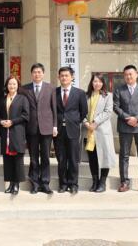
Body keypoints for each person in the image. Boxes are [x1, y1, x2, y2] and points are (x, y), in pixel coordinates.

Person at [113, 64, 138, 193]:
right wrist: (127, 118)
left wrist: (137, 119)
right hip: (125, 127)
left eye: (131, 74)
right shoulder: (119, 90)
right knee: (124, 156)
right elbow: (116, 107)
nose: (128, 76)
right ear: (124, 77)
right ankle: (124, 182)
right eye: (126, 75)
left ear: (136, 75)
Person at [22, 63, 57, 194]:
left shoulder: (50, 88)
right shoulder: (25, 89)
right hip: (31, 128)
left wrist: (55, 126)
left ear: (43, 73)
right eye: (34, 72)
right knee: (33, 157)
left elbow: (54, 108)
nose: (37, 74)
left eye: (39, 72)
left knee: (46, 157)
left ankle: (45, 183)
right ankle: (35, 183)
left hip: (47, 127)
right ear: (31, 74)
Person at [55, 66, 88, 194]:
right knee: (61, 158)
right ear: (58, 77)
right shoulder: (55, 92)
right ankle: (63, 184)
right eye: (61, 75)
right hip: (58, 131)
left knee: (74, 159)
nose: (64, 78)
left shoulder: (79, 93)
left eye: (66, 75)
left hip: (73, 129)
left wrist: (74, 121)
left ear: (72, 77)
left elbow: (83, 111)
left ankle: (73, 184)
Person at [82, 74, 116, 193]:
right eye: (95, 81)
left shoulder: (108, 96)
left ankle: (102, 182)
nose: (97, 84)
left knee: (104, 157)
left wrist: (95, 122)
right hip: (89, 132)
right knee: (92, 159)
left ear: (103, 83)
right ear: (92, 82)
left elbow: (108, 112)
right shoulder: (86, 96)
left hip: (102, 131)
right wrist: (86, 123)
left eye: (100, 81)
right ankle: (95, 181)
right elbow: (82, 112)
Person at [0, 76, 29, 195]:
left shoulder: (23, 99)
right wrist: (1, 121)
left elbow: (26, 115)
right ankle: (10, 184)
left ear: (18, 86)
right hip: (5, 133)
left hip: (17, 132)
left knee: (17, 159)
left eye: (14, 84)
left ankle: (16, 184)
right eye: (10, 84)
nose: (12, 86)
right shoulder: (2, 99)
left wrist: (12, 122)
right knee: (7, 160)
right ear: (6, 86)